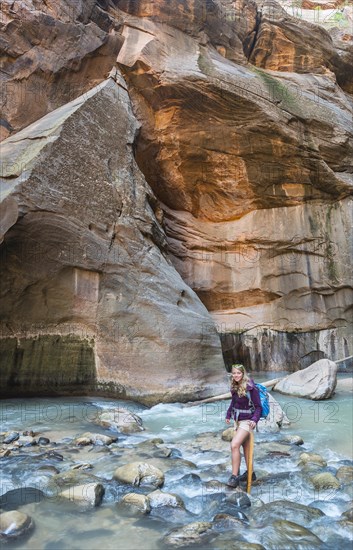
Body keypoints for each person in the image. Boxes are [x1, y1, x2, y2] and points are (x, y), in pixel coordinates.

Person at [225, 363, 262, 488]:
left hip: (247, 422)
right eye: (234, 373)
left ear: (243, 373)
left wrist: (255, 419)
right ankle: (250, 473)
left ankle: (234, 476)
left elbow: (258, 407)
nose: (236, 375)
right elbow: (233, 403)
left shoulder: (251, 387)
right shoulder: (234, 386)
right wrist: (228, 414)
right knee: (246, 448)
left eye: (238, 373)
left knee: (234, 445)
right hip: (238, 421)